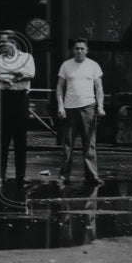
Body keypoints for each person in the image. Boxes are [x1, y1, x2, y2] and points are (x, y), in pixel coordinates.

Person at [55, 38, 106, 185]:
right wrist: (60, 106)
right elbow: (59, 88)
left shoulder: (93, 65)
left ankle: (92, 176)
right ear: (73, 50)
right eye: (77, 48)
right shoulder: (66, 65)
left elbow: (99, 88)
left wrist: (100, 106)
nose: (79, 51)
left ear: (87, 50)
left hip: (88, 107)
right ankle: (64, 176)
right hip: (69, 108)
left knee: (89, 143)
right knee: (68, 144)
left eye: (82, 48)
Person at [0, 30, 35, 191]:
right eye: (0, 42)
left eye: (4, 41)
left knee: (20, 141)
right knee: (2, 140)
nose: (2, 45)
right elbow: (1, 76)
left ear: (13, 42)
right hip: (4, 98)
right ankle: (0, 175)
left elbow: (31, 73)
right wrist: (19, 74)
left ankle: (20, 176)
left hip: (20, 98)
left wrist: (15, 75)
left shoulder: (27, 57)